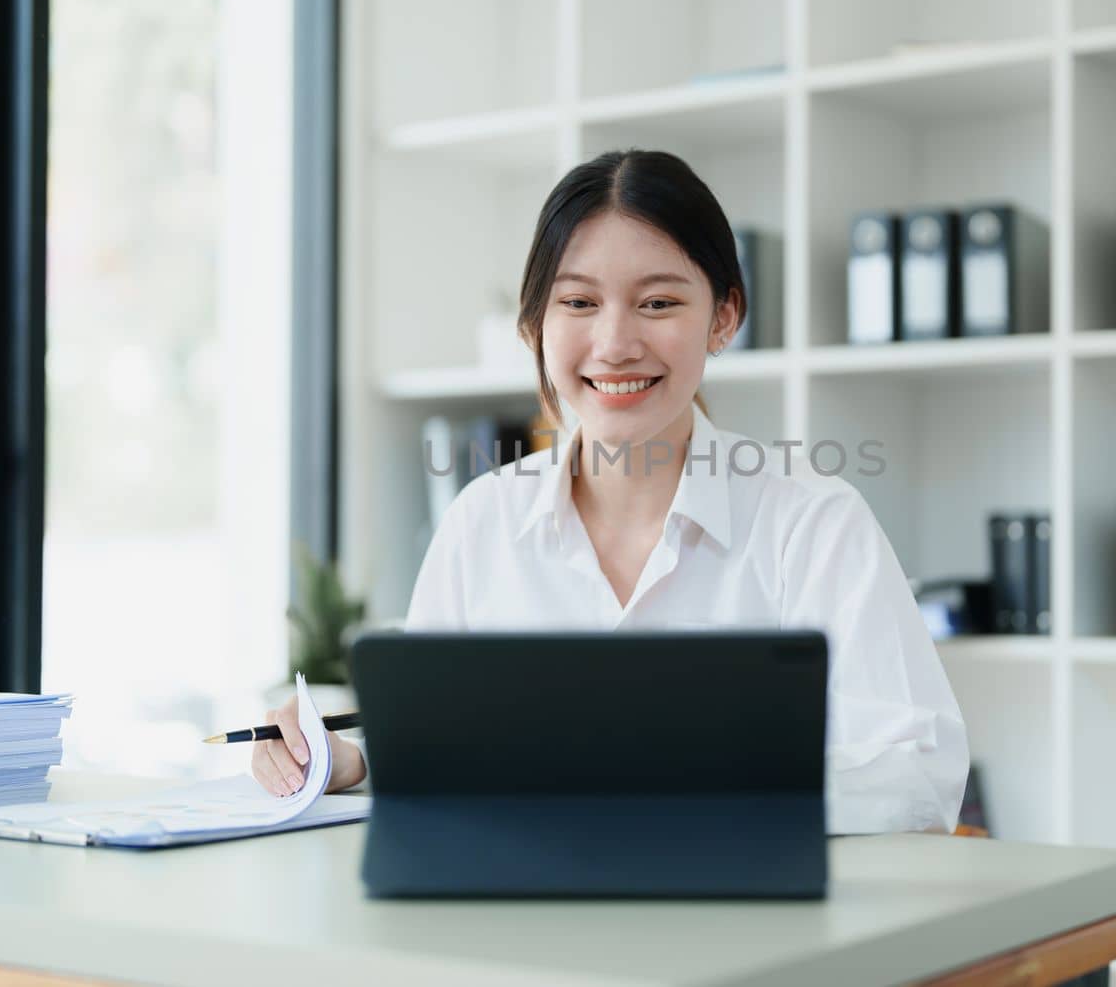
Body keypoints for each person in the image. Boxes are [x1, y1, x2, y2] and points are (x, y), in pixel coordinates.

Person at [254, 149, 969, 834]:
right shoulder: (483, 522)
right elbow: (440, 743)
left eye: (658, 302)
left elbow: (918, 776)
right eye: (579, 302)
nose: (616, 341)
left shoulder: (811, 522)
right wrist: (351, 760)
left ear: (723, 316)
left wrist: (677, 784)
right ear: (536, 325)